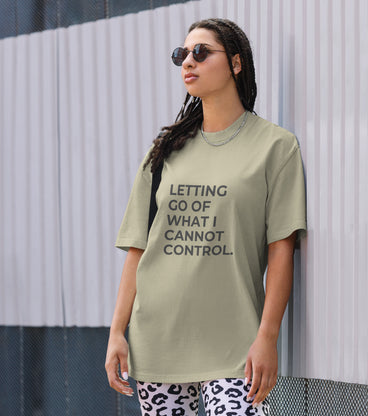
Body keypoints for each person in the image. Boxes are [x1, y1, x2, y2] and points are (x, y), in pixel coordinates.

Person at [105, 18, 306, 416]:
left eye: (201, 52)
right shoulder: (164, 152)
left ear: (235, 63)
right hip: (158, 344)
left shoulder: (275, 147)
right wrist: (116, 332)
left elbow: (282, 249)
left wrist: (268, 337)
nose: (188, 62)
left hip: (235, 346)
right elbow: (138, 250)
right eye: (182, 54)